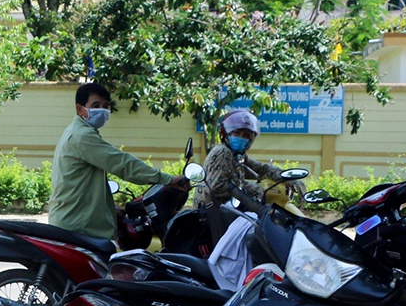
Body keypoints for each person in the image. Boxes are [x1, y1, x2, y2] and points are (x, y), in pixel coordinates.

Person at [48, 83, 189, 239]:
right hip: (79, 228)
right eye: (95, 105)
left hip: (73, 222)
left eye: (105, 106)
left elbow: (85, 185)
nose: (102, 110)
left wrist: (110, 210)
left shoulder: (76, 131)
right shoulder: (82, 136)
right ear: (80, 109)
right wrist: (167, 179)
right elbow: (123, 164)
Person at [195, 108, 306, 208]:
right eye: (237, 133)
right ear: (226, 133)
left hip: (227, 212)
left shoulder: (238, 156)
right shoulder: (223, 152)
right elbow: (218, 186)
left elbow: (262, 169)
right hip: (211, 217)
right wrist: (257, 189)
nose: (241, 138)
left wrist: (289, 178)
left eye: (246, 135)